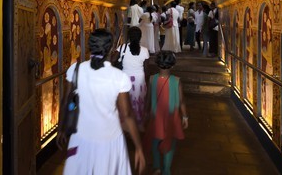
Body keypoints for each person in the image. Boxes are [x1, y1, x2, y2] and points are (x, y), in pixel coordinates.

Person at [57, 29, 146, 175]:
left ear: (89, 46)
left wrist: (60, 128)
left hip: (81, 137)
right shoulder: (119, 77)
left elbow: (65, 102)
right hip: (109, 140)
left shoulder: (75, 69)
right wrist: (139, 148)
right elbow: (127, 115)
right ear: (111, 48)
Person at [144, 51, 188, 175]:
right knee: (170, 142)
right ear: (173, 65)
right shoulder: (177, 81)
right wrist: (185, 117)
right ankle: (166, 169)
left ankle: (157, 167)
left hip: (155, 116)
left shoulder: (152, 79)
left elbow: (148, 98)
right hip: (171, 117)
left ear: (157, 64)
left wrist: (146, 113)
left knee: (155, 141)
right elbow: (182, 101)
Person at [120, 26, 150, 132]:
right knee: (138, 101)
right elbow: (147, 69)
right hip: (139, 80)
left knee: (126, 101)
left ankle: (125, 124)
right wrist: (146, 82)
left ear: (128, 37)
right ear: (140, 37)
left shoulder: (122, 48)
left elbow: (114, 60)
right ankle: (139, 123)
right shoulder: (145, 50)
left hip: (125, 79)